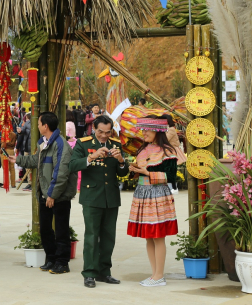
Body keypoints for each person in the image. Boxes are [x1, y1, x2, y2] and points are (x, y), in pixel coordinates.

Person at [9, 112, 76, 275]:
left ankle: (62, 262)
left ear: (45, 126)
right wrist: (17, 160)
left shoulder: (61, 145)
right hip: (45, 193)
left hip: (57, 195)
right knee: (46, 229)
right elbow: (35, 161)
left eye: (38, 123)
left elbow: (60, 173)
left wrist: (52, 194)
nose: (37, 126)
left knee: (61, 230)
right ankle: (51, 258)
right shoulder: (44, 143)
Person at [69, 114, 129, 288]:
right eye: (101, 132)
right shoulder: (84, 143)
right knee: (92, 236)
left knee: (109, 237)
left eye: (108, 132)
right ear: (94, 129)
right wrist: (91, 157)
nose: (104, 136)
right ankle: (89, 273)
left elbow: (123, 174)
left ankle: (105, 272)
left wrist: (121, 161)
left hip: (111, 197)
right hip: (91, 197)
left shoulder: (116, 145)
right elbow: (72, 165)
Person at [127, 117, 178, 287]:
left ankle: (159, 276)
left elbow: (171, 176)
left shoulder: (167, 151)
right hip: (142, 194)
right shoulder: (142, 149)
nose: (144, 133)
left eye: (147, 130)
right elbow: (141, 171)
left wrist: (147, 173)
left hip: (157, 195)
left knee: (158, 236)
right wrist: (134, 171)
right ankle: (154, 274)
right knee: (149, 236)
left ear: (158, 130)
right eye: (143, 130)